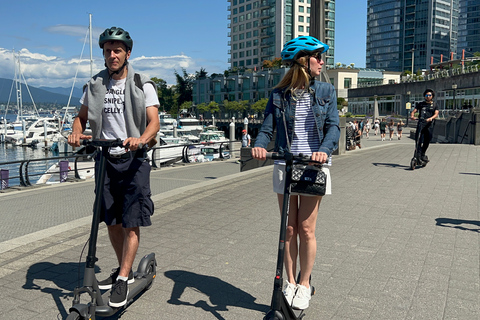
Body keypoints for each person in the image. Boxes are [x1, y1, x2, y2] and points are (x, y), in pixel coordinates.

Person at [67, 27, 160, 308]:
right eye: (108, 51)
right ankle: (125, 269)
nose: (112, 55)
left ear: (127, 53)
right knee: (112, 220)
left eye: (117, 50)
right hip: (105, 160)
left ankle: (122, 277)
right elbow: (80, 118)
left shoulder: (143, 83)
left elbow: (154, 122)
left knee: (131, 219)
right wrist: (75, 132)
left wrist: (140, 139)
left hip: (134, 160)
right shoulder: (95, 84)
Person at [251, 36, 340, 310]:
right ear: (304, 60)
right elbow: (267, 128)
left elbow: (334, 127)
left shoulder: (326, 90)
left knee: (306, 229)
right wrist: (258, 146)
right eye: (318, 57)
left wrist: (324, 149)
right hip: (285, 164)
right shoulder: (279, 95)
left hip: (313, 165)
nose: (322, 62)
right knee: (288, 229)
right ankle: (289, 281)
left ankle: (304, 284)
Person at [410, 89, 439, 162]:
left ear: (432, 96)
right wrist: (412, 116)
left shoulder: (435, 105)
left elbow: (436, 114)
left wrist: (431, 118)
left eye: (429, 95)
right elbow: (414, 111)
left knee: (427, 140)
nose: (428, 97)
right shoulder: (421, 104)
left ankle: (422, 154)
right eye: (426, 95)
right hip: (421, 124)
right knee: (418, 140)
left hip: (429, 125)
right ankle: (418, 155)